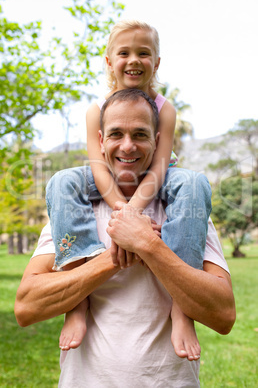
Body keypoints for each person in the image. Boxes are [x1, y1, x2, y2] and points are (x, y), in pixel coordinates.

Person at [15, 89, 236, 387]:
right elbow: (27, 307)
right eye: (116, 133)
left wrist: (149, 245)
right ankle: (76, 308)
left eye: (140, 134)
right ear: (101, 141)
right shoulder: (73, 209)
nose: (128, 146)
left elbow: (223, 315)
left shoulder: (188, 210)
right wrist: (114, 256)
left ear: (157, 142)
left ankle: (181, 315)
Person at [46, 20, 212, 358]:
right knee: (63, 181)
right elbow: (98, 168)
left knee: (194, 183)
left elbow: (161, 165)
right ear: (109, 61)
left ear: (157, 63)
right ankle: (77, 303)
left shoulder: (165, 109)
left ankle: (182, 311)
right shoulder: (97, 109)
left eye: (144, 53)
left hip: (160, 176)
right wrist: (123, 213)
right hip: (110, 175)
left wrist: (134, 211)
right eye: (124, 52)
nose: (134, 59)